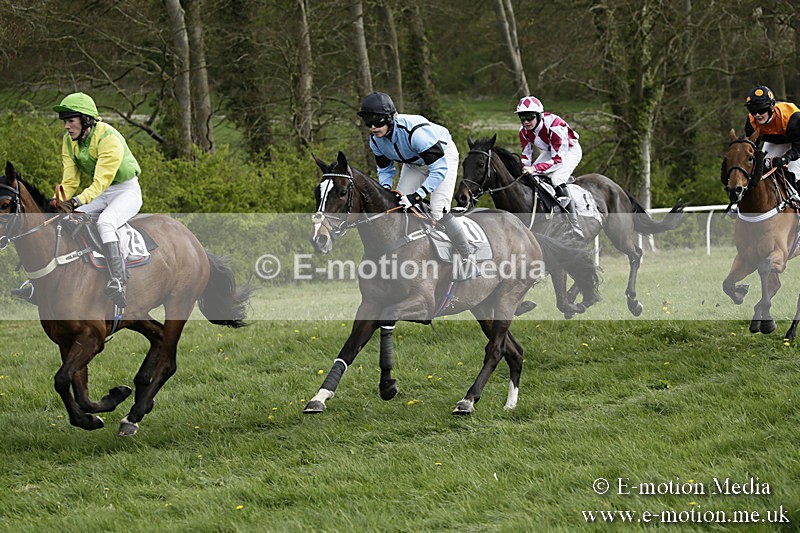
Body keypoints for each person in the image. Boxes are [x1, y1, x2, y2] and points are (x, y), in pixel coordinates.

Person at [357, 91, 478, 279]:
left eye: (378, 122)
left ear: (390, 118)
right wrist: (387, 189)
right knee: (397, 207)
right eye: (368, 123)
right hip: (415, 164)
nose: (373, 127)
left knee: (438, 210)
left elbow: (438, 169)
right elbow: (385, 170)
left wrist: (418, 194)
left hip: (442, 158)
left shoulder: (414, 133)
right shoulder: (375, 141)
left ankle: (468, 257)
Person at [52, 92, 143, 308]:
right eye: (65, 121)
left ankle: (118, 281)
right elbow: (70, 180)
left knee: (106, 222)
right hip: (101, 193)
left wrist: (75, 202)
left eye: (71, 120)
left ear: (86, 120)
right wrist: (58, 201)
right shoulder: (69, 141)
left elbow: (101, 182)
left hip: (125, 191)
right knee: (66, 220)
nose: (66, 126)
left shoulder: (108, 138)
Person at [516, 95, 584, 238]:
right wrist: (525, 168)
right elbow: (526, 153)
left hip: (570, 150)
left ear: (539, 115)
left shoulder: (555, 126)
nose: (526, 122)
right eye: (523, 118)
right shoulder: (523, 131)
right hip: (550, 150)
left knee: (557, 179)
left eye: (530, 117)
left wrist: (534, 168)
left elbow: (558, 159)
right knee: (531, 177)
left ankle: (574, 224)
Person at [742, 84, 800, 208]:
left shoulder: (792, 117)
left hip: (796, 143)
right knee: (760, 168)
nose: (757, 115)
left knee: (793, 172)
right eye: (753, 111)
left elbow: (798, 147)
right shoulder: (751, 121)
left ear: (771, 107)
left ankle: (797, 200)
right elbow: (750, 145)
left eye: (761, 110)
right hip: (774, 141)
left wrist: (786, 158)